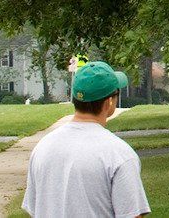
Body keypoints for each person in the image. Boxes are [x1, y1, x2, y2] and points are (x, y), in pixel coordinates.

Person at [23, 60, 149, 218]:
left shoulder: (43, 147)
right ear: (109, 102)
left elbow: (35, 208)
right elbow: (132, 215)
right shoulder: (119, 154)